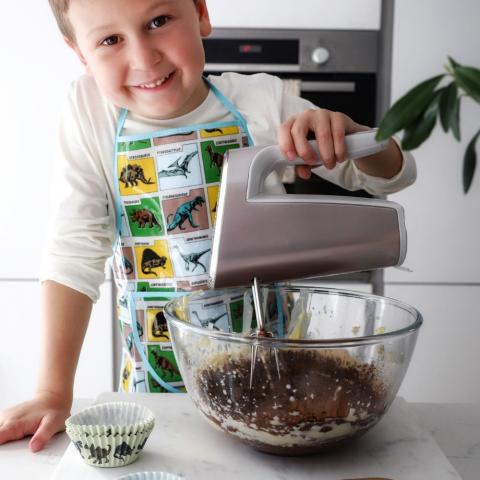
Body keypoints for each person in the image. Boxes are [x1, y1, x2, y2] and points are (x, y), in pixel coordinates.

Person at [0, 0, 416, 453]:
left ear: (200, 13)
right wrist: (53, 393)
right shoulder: (89, 112)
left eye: (159, 21)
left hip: (275, 385)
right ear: (80, 53)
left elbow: (393, 173)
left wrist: (348, 133)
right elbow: (73, 248)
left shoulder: (261, 101)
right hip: (155, 387)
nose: (144, 57)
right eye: (110, 40)